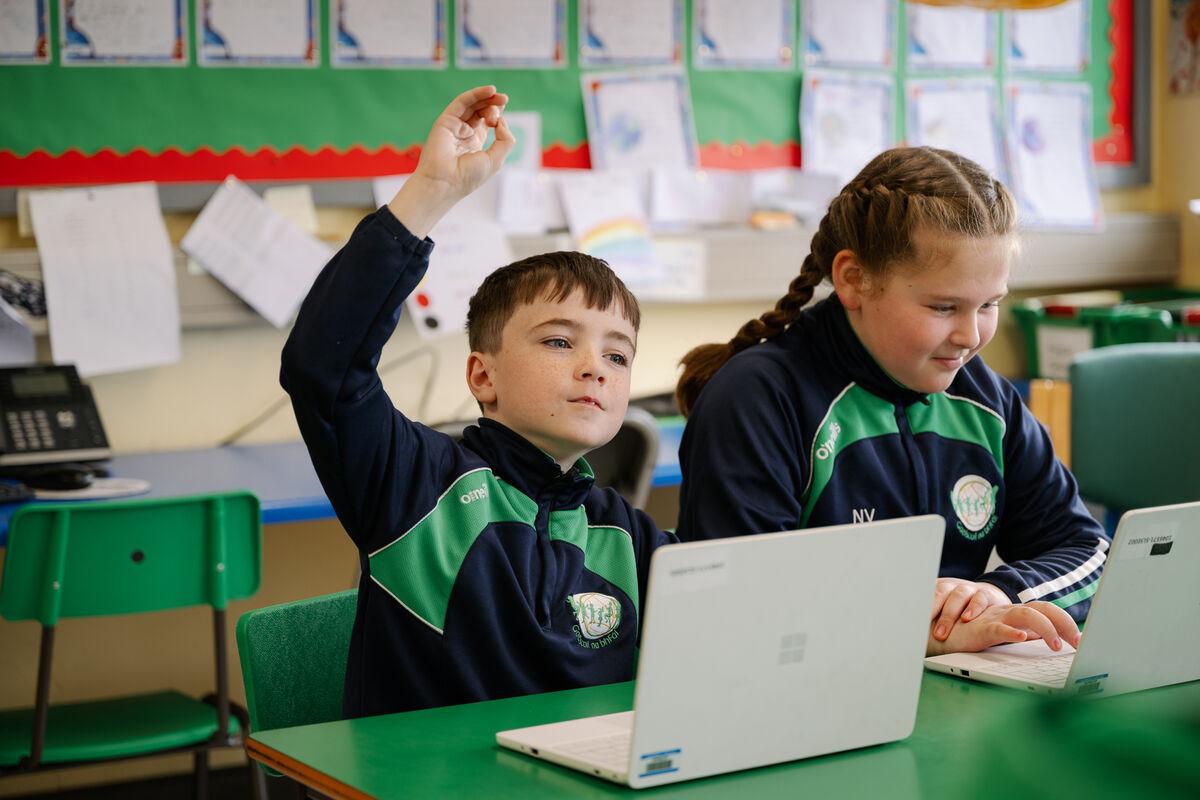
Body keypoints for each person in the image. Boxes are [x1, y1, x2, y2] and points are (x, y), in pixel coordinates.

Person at [281, 86, 674, 718]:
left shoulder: (631, 538)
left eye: (617, 356)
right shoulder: (414, 485)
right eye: (557, 340)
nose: (593, 369)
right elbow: (323, 366)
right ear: (481, 376)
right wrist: (429, 193)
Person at [674, 147, 1103, 656]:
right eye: (943, 307)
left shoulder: (982, 396)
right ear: (854, 279)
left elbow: (1088, 551)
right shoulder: (758, 399)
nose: (970, 336)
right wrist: (913, 628)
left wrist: (995, 593)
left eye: (989, 304)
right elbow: (743, 609)